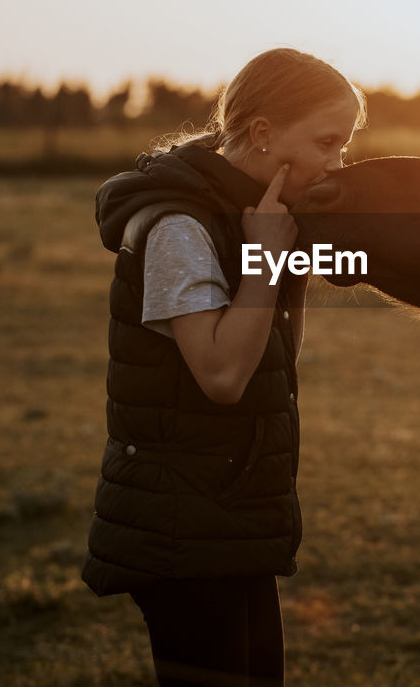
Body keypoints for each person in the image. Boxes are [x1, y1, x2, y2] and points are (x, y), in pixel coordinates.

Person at [82, 48, 366, 686]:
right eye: (326, 142)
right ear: (263, 134)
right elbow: (222, 376)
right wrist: (270, 257)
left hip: (228, 515)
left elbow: (287, 342)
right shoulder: (180, 227)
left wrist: (299, 252)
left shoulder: (251, 219)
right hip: (181, 529)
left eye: (343, 145)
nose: (336, 162)